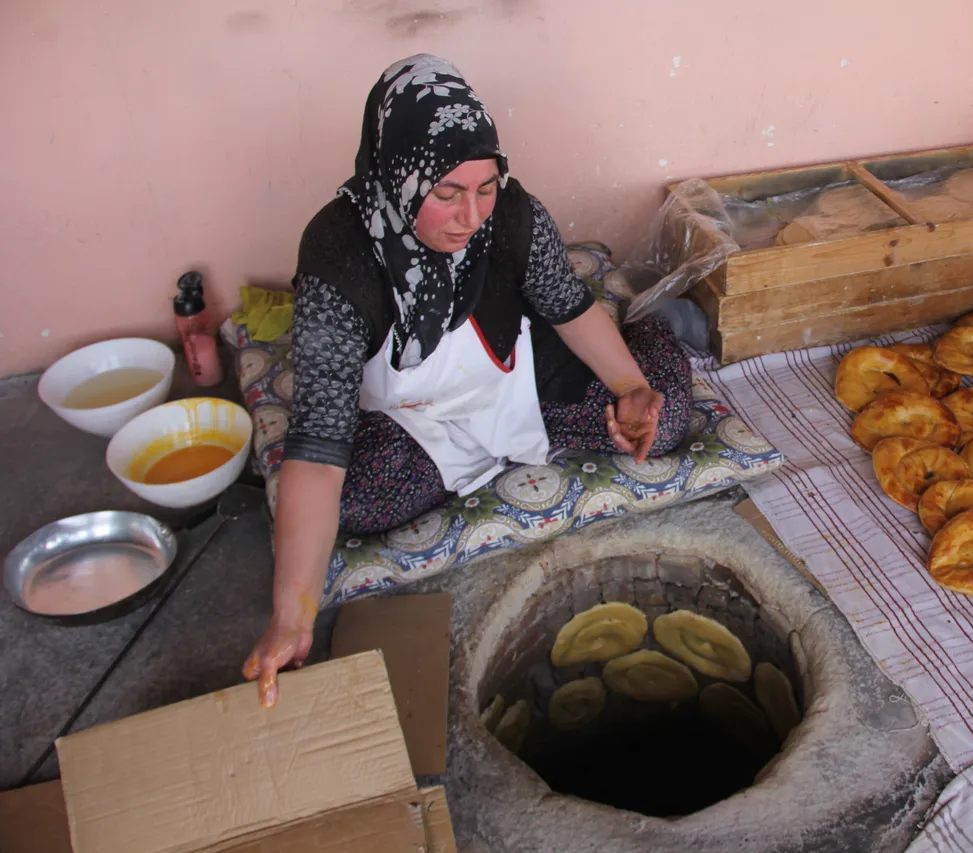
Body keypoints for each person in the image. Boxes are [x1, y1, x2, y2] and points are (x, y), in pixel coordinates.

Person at [242, 55, 692, 707]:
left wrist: (629, 385)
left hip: (516, 380)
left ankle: (651, 334)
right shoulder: (339, 254)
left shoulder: (512, 216)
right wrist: (293, 611)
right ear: (395, 172)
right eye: (447, 192)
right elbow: (318, 447)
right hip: (414, 419)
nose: (470, 215)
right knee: (356, 499)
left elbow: (567, 306)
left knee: (666, 417)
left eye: (485, 187)